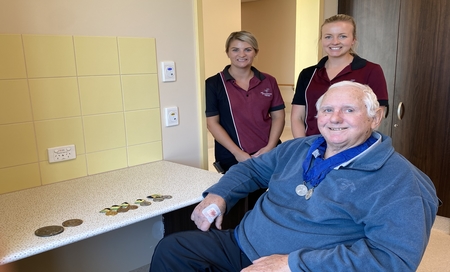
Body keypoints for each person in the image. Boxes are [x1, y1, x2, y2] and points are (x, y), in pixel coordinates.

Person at [149, 81, 439, 272]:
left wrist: (290, 263)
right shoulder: (298, 147)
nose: (334, 118)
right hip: (243, 243)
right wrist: (219, 194)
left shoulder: (399, 180)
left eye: (348, 110)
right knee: (173, 250)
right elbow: (251, 169)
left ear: (375, 118)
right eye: (327, 110)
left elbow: (393, 260)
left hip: (306, 267)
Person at [291, 14, 389, 138]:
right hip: (312, 146)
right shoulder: (308, 74)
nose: (335, 42)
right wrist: (303, 148)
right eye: (328, 37)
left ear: (353, 39)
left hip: (354, 147)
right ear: (322, 40)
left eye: (342, 36)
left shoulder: (371, 70)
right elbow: (297, 117)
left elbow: (376, 116)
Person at [205, 30, 286, 173]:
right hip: (231, 155)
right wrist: (238, 153)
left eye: (247, 49)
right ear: (228, 52)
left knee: (268, 193)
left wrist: (270, 147)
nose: (241, 55)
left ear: (255, 52)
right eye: (235, 50)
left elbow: (278, 117)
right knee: (238, 194)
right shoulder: (214, 84)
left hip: (267, 152)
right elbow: (212, 123)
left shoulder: (268, 81)